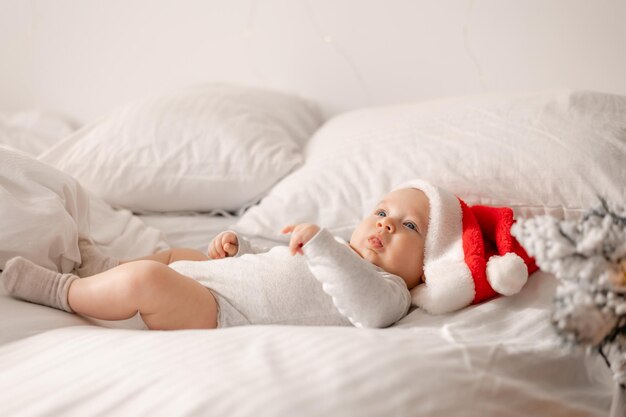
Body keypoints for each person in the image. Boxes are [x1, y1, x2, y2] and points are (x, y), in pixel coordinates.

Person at [2, 186, 429, 330]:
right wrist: (239, 248)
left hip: (222, 313)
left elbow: (367, 309)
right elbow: (274, 259)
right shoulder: (340, 248)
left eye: (409, 227)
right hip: (221, 280)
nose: (387, 225)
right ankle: (104, 271)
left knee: (149, 281)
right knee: (180, 256)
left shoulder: (390, 292)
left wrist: (322, 246)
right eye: (381, 212)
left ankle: (63, 290)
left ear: (427, 263)